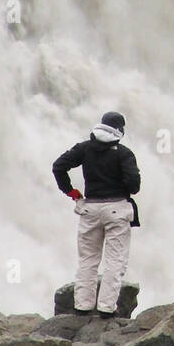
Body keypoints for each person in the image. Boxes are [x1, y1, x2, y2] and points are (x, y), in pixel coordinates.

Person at [51, 111, 141, 318]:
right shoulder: (124, 153)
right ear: (120, 131)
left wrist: (71, 192)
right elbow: (134, 186)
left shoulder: (85, 148)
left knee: (88, 260)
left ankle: (82, 307)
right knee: (114, 261)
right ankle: (107, 309)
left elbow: (58, 166)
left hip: (89, 209)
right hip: (117, 210)